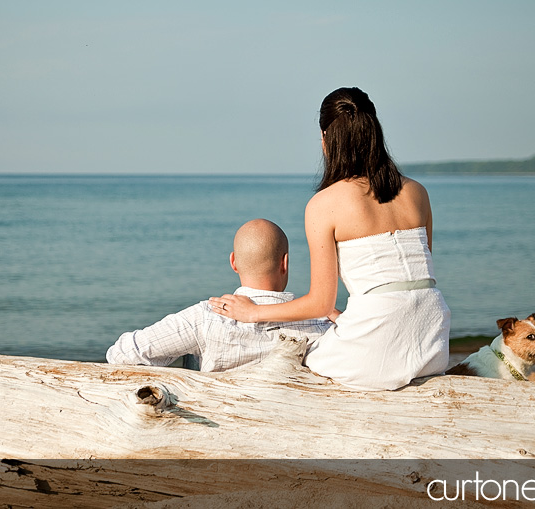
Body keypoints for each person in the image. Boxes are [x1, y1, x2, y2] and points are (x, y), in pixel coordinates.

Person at [210, 87, 450, 390]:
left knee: (303, 364)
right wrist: (350, 316)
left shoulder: (325, 205)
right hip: (433, 339)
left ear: (326, 139)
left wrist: (253, 312)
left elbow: (320, 302)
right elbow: (412, 281)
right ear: (374, 132)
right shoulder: (417, 192)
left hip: (381, 342)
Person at [106, 219, 330, 371]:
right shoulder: (321, 328)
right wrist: (332, 313)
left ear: (233, 262)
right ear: (285, 262)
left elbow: (122, 355)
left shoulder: (206, 318)